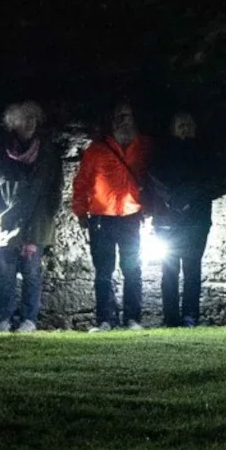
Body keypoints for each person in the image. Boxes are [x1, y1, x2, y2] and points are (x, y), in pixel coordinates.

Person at [72, 102, 153, 332]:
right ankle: (105, 319)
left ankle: (132, 319)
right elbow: (82, 181)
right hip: (102, 217)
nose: (122, 121)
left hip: (130, 216)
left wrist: (150, 208)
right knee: (104, 271)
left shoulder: (144, 147)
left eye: (126, 116)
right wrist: (80, 210)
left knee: (132, 269)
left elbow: (153, 179)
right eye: (118, 116)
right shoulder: (97, 150)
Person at [0, 100, 61, 333]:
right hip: (5, 224)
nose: (30, 123)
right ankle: (3, 319)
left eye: (33, 118)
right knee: (6, 273)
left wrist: (45, 216)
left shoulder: (48, 154)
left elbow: (54, 190)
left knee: (32, 272)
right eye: (24, 119)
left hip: (36, 223)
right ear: (12, 123)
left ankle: (29, 319)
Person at [148, 111, 226, 328]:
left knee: (192, 270)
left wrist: (185, 198)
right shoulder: (163, 152)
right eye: (180, 125)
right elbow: (155, 177)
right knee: (169, 271)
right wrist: (176, 199)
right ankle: (171, 317)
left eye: (188, 124)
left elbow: (210, 181)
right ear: (173, 129)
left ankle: (190, 316)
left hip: (196, 221)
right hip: (169, 221)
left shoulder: (204, 152)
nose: (185, 128)